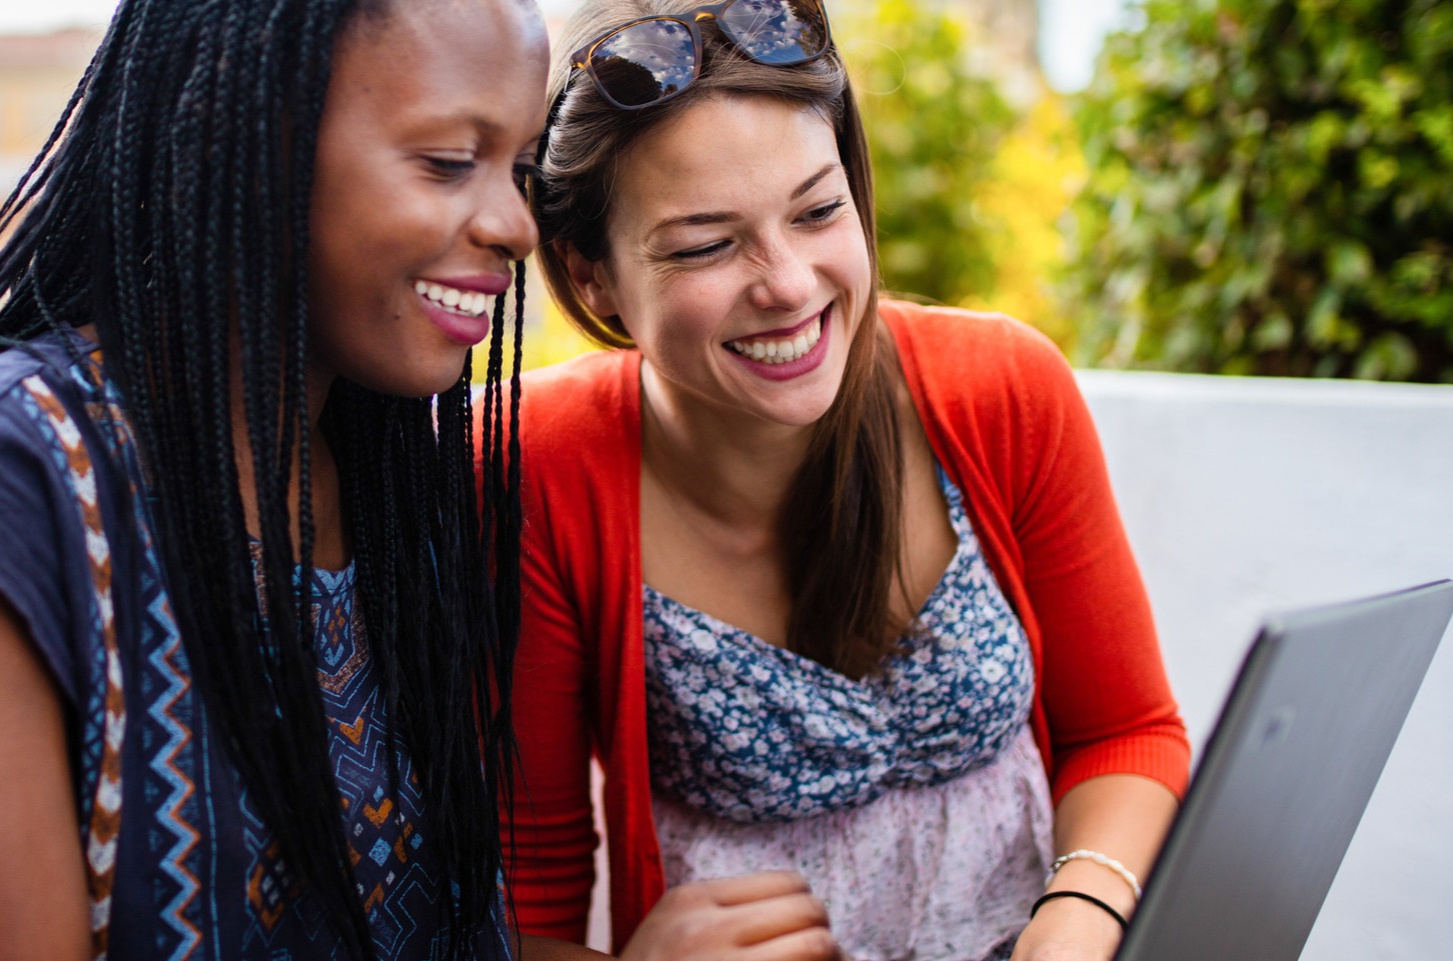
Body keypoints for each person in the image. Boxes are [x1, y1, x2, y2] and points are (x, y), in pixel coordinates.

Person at [0, 1, 550, 958]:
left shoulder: (394, 475)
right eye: (446, 162)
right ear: (247, 131)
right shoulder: (3, 483)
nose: (516, 223)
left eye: (522, 168)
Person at [504, 2, 1192, 960]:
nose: (787, 283)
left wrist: (1083, 909)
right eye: (705, 244)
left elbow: (1127, 731)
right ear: (592, 281)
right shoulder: (541, 468)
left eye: (818, 210)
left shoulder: (1002, 388)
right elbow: (523, 900)